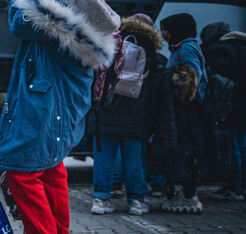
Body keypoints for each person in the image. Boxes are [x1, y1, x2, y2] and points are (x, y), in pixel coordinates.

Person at [0, 0, 120, 234]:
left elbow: (19, 22)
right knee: (49, 170)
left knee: (22, 172)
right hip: (55, 100)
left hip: (48, 102)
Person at [91, 15, 167, 216]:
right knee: (134, 158)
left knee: (104, 157)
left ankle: (100, 198)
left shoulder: (114, 41)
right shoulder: (150, 49)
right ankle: (137, 201)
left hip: (107, 108)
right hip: (136, 113)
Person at [201, 23, 246, 201]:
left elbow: (215, 78)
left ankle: (234, 186)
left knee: (231, 143)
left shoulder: (218, 50)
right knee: (242, 143)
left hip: (229, 102)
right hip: (242, 102)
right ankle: (240, 185)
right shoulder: (242, 48)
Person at [159, 65, 206, 214]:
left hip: (180, 139)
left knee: (178, 161)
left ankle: (182, 193)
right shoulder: (194, 100)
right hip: (189, 140)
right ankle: (188, 193)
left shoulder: (170, 96)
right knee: (188, 163)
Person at [160, 13, 208, 100]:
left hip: (187, 100)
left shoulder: (186, 48)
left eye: (165, 30)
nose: (162, 34)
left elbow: (193, 74)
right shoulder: (182, 47)